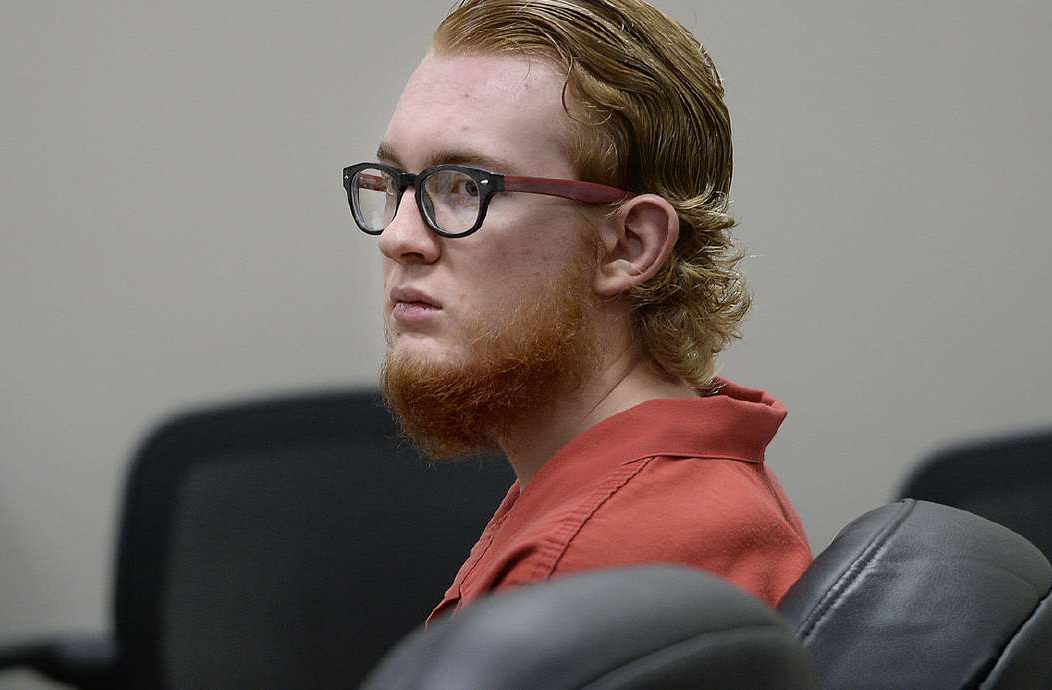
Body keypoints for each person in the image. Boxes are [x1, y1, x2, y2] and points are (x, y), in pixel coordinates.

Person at [342, 0, 812, 621]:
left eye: (464, 186)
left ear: (630, 245)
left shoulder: (589, 577)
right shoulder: (678, 485)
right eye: (396, 181)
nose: (398, 236)